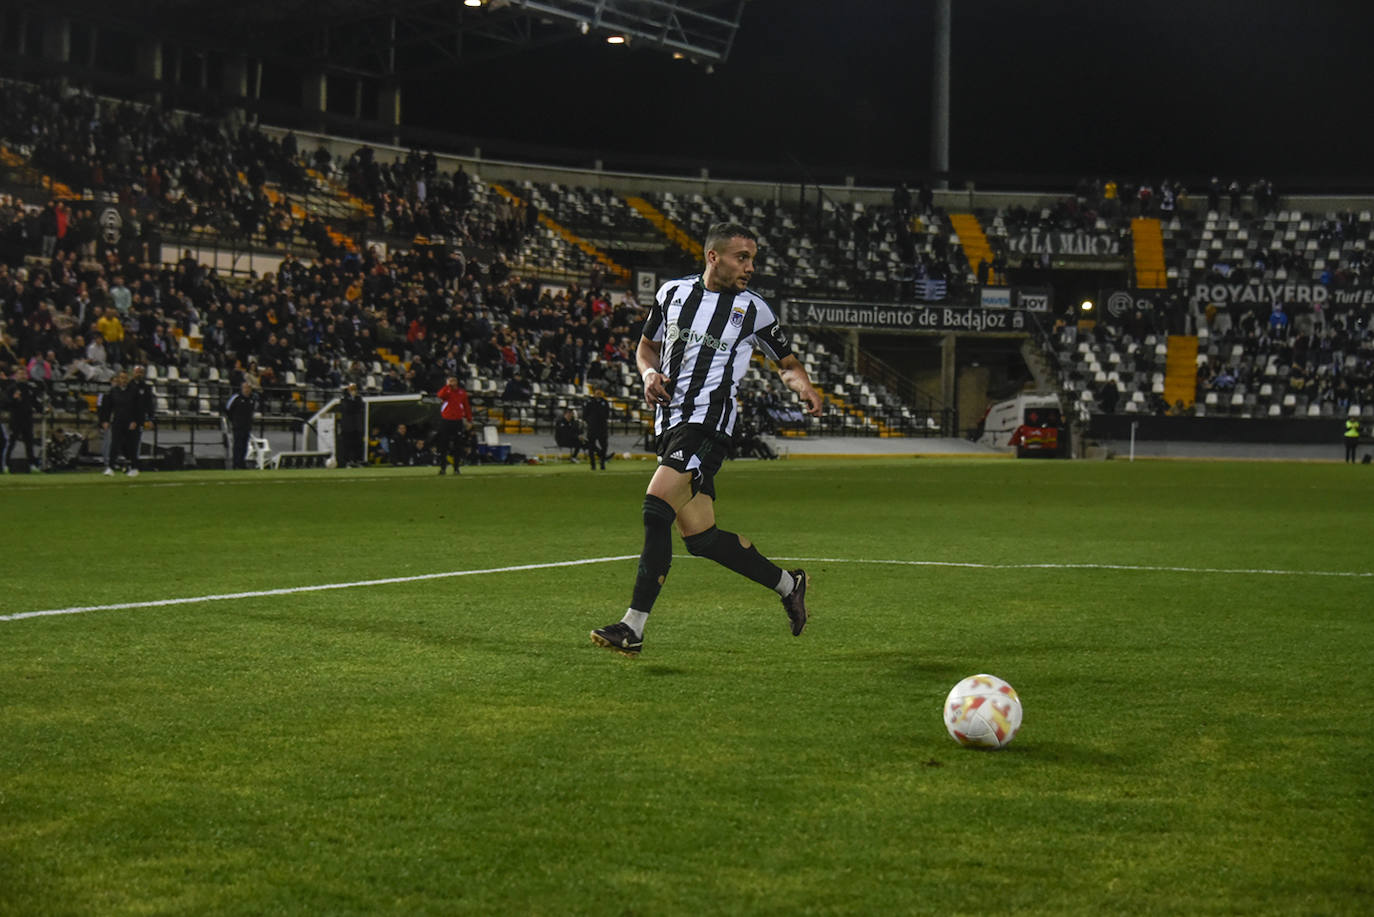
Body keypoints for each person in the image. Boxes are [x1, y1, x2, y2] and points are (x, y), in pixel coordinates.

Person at [589, 222, 824, 658]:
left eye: (753, 258)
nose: (750, 267)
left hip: (710, 423)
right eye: (742, 257)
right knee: (701, 537)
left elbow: (786, 362)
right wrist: (648, 374)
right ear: (713, 257)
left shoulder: (755, 310)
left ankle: (633, 626)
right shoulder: (671, 294)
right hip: (670, 422)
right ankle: (789, 584)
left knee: (655, 507)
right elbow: (645, 348)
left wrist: (804, 387)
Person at [4, 367, 39, 472]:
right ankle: (6, 464)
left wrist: (43, 409)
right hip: (15, 418)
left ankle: (32, 465)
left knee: (29, 442)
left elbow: (35, 403)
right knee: (11, 442)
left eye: (24, 374)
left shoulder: (30, 388)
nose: (22, 376)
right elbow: (6, 404)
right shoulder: (11, 388)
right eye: (20, 374)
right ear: (16, 376)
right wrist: (14, 398)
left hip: (27, 418)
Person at [435, 375, 471, 475]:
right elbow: (440, 395)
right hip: (446, 421)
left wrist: (469, 420)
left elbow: (466, 406)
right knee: (443, 445)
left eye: (454, 380)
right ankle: (443, 468)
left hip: (457, 421)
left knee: (458, 446)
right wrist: (447, 387)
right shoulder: (446, 391)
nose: (452, 382)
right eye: (450, 381)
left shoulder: (462, 392)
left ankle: (456, 468)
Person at [224, 381, 259, 470]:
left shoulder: (252, 399)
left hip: (247, 426)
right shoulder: (236, 398)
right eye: (245, 388)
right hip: (238, 426)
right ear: (242, 388)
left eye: (248, 388)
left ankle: (242, 462)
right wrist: (233, 420)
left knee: (244, 445)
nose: (247, 390)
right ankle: (236, 463)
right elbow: (227, 409)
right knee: (237, 445)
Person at [337, 383, 365, 468]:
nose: (353, 391)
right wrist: (353, 402)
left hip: (356, 426)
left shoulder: (358, 398)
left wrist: (353, 402)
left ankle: (356, 461)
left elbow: (360, 407)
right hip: (347, 427)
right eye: (352, 389)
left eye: (354, 389)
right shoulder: (344, 399)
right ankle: (347, 462)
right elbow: (348, 409)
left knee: (357, 445)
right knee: (347, 445)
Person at [583, 388, 611, 471]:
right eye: (597, 393)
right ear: (594, 393)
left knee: (604, 446)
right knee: (591, 447)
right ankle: (593, 465)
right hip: (592, 428)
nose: (598, 394)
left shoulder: (604, 402)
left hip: (602, 428)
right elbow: (585, 414)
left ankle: (602, 463)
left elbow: (607, 414)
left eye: (600, 393)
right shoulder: (589, 402)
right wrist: (590, 421)